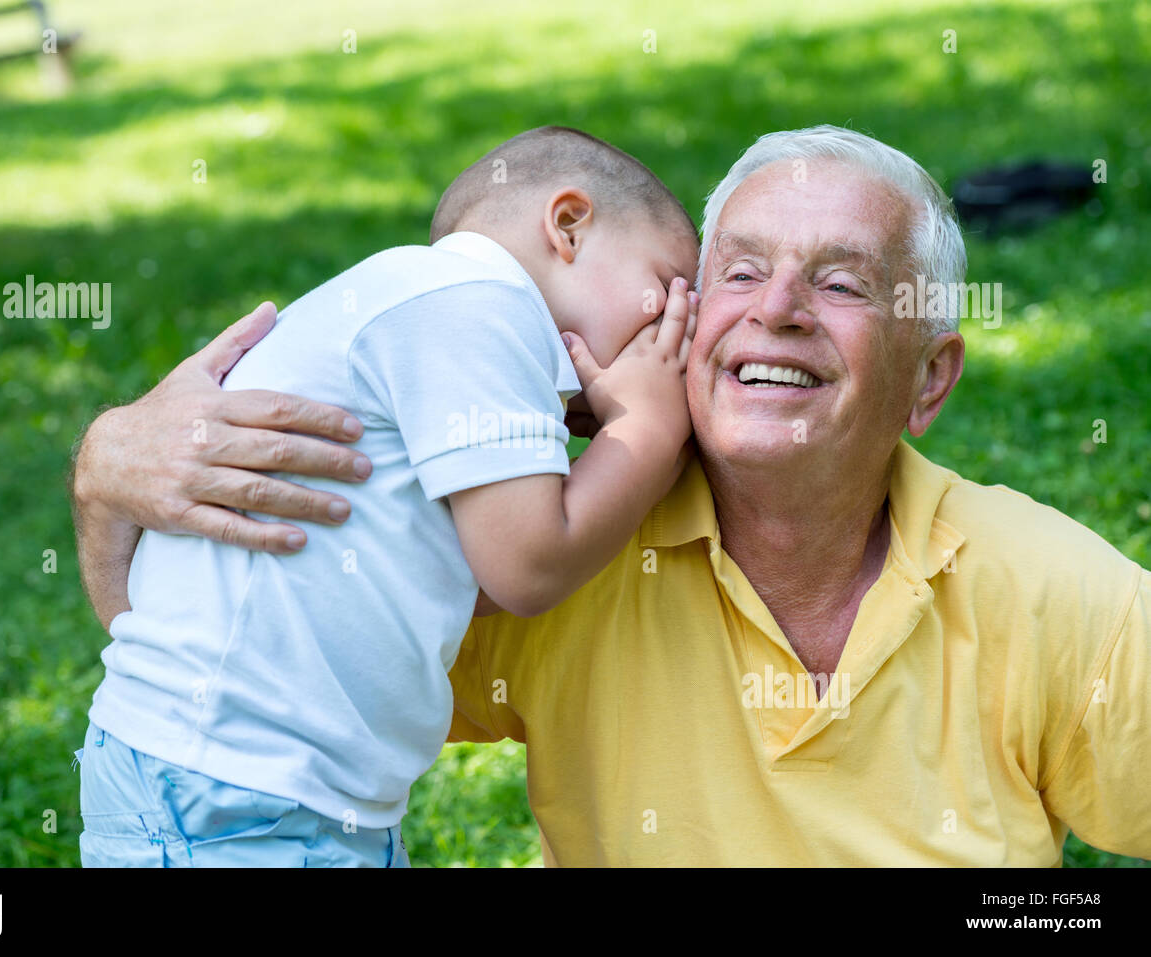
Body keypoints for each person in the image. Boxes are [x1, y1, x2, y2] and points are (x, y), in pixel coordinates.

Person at [73, 126, 1151, 866]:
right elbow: (242, 675)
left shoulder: (1048, 592)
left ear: (928, 378)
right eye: (734, 273)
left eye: (840, 281)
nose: (774, 309)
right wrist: (108, 472)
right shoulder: (556, 531)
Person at [72, 125, 700, 867]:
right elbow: (528, 567)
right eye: (665, 289)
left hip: (269, 785)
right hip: (230, 789)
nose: (672, 334)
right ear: (568, 226)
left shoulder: (433, 312)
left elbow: (475, 583)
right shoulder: (478, 301)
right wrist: (649, 431)